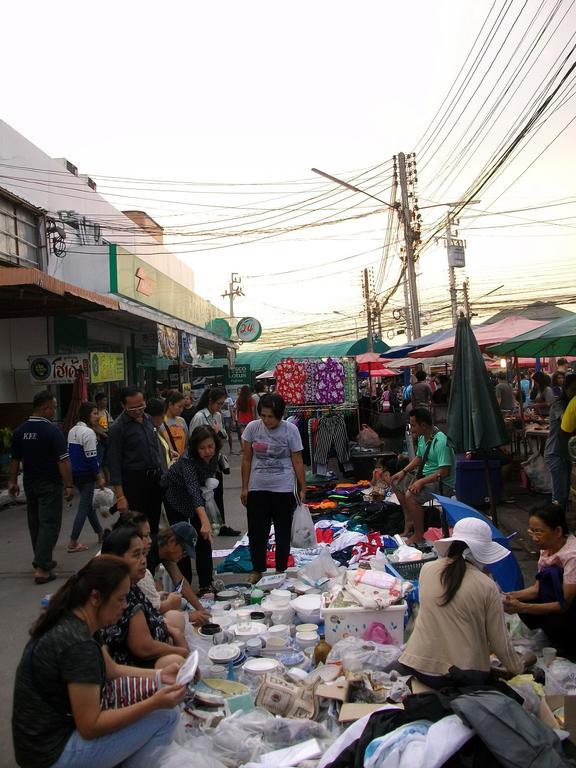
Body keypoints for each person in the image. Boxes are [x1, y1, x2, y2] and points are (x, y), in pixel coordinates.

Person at [12, 555, 185, 768]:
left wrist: (160, 676)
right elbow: (90, 725)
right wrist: (154, 702)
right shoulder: (78, 644)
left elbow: (111, 670)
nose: (124, 606)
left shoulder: (75, 618)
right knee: (166, 715)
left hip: (44, 742)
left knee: (153, 696)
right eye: (120, 599)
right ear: (95, 597)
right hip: (50, 754)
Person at [397, 517, 524, 686]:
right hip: (461, 675)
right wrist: (518, 668)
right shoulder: (486, 585)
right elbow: (499, 642)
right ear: (481, 552)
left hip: (417, 664)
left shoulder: (427, 569)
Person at [8, 390, 73, 585]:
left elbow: (15, 459)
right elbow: (63, 461)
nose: (54, 411)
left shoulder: (20, 431)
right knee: (50, 524)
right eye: (53, 407)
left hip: (30, 483)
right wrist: (69, 484)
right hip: (50, 484)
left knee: (35, 523)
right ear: (45, 408)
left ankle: (42, 559)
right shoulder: (53, 432)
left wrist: (11, 482)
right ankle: (42, 568)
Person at [241, 392, 306, 584]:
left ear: (280, 414)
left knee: (282, 530)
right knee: (257, 530)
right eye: (263, 415)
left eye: (271, 416)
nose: (266, 420)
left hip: (283, 488)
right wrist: (245, 487)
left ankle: (280, 568)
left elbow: (297, 459)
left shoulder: (290, 430)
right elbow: (246, 458)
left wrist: (302, 487)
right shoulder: (252, 428)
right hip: (257, 487)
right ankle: (257, 569)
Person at [99, 527, 188, 667]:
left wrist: (174, 632)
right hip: (132, 667)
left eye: (143, 554)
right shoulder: (120, 594)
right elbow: (143, 647)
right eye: (136, 555)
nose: (143, 561)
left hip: (156, 642)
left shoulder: (132, 584)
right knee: (175, 662)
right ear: (115, 559)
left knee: (176, 619)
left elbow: (152, 613)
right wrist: (179, 651)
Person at [504, 505, 576, 656]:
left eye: (539, 531)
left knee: (542, 616)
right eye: (532, 531)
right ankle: (553, 639)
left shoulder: (572, 556)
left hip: (569, 610)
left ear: (557, 531)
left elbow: (564, 604)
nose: (534, 537)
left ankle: (567, 646)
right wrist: (507, 596)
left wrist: (523, 606)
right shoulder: (547, 547)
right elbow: (537, 588)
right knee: (522, 608)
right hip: (554, 600)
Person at [115, 512, 210, 624]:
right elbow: (151, 606)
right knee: (162, 592)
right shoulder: (146, 555)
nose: (183, 557)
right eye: (184, 552)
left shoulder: (164, 552)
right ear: (171, 542)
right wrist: (188, 616)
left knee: (174, 599)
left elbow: (180, 581)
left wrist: (201, 609)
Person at [163, 426, 219, 593]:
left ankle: (206, 583)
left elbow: (206, 479)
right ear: (194, 448)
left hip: (198, 494)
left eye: (210, 446)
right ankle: (183, 584)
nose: (207, 451)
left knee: (203, 538)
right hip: (175, 494)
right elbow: (192, 490)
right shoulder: (187, 460)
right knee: (180, 537)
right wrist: (204, 519)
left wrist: (205, 519)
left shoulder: (214, 454)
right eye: (202, 448)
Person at [391, 408, 456, 544]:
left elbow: (444, 471)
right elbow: (419, 458)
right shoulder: (422, 437)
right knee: (396, 482)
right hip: (426, 476)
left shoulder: (441, 441)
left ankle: (418, 534)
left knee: (411, 496)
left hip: (442, 483)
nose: (412, 429)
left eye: (414, 425)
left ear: (424, 425)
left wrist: (421, 482)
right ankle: (409, 519)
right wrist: (403, 472)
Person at [106, 386, 163, 533]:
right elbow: (114, 463)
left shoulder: (149, 419)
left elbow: (154, 448)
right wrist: (120, 497)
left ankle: (153, 555)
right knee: (138, 528)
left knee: (154, 525)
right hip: (134, 482)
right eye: (133, 408)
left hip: (155, 479)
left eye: (141, 406)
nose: (138, 410)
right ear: (123, 406)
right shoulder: (118, 428)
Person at [189, 387, 239, 537]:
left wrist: (218, 433)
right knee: (205, 494)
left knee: (217, 492)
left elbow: (222, 435)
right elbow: (195, 441)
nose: (220, 407)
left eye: (222, 404)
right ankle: (206, 524)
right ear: (210, 401)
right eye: (218, 403)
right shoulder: (199, 417)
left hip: (215, 460)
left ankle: (220, 524)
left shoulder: (217, 415)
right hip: (202, 462)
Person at [67, 401, 106, 554]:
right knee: (84, 507)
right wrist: (99, 476)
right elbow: (91, 458)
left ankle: (100, 533)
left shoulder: (73, 430)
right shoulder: (89, 433)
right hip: (87, 474)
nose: (97, 416)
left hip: (75, 474)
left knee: (88, 506)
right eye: (95, 413)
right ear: (87, 415)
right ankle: (73, 541)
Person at [544, 374, 576, 509]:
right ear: (565, 388)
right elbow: (566, 424)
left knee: (565, 493)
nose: (575, 392)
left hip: (566, 454)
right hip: (555, 453)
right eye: (573, 389)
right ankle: (557, 526)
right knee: (559, 496)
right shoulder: (558, 404)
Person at [145, 397, 172, 474]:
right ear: (152, 416)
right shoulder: (149, 433)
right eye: (162, 417)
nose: (163, 420)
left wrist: (169, 453)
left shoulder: (158, 429)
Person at [159, 391, 188, 458]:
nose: (181, 410)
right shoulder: (161, 422)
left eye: (183, 407)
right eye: (179, 406)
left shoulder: (182, 421)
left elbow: (186, 444)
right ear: (170, 404)